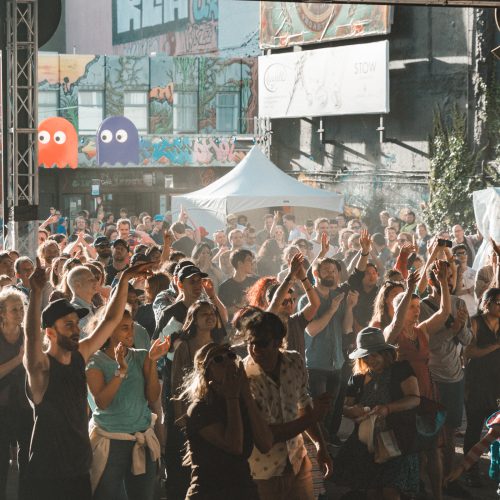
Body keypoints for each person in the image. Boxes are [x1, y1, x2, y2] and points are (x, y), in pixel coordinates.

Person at [24, 258, 152, 500]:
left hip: (79, 466)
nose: (76, 329)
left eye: (76, 323)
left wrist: (123, 279)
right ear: (50, 333)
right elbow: (31, 338)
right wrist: (36, 293)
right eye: (68, 325)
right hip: (48, 472)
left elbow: (110, 320)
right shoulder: (41, 368)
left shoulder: (79, 355)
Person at [243, 310, 332, 500]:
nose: (254, 349)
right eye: (250, 343)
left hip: (297, 461)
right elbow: (271, 435)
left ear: (278, 342)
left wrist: (320, 445)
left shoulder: (294, 361)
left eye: (261, 343)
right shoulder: (245, 377)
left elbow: (303, 407)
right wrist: (314, 416)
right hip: (264, 472)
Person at [86, 300, 169, 499]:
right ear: (108, 329)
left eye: (131, 326)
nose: (131, 332)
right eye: (124, 328)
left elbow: (152, 397)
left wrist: (152, 360)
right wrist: (120, 372)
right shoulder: (94, 361)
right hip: (110, 443)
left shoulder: (142, 356)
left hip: (141, 439)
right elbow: (102, 402)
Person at [333, 327, 420, 499]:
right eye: (366, 356)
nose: (370, 360)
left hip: (397, 438)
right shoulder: (357, 377)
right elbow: (345, 407)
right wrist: (352, 411)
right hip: (366, 441)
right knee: (371, 489)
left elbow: (414, 399)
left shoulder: (401, 369)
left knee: (391, 490)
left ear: (386, 353)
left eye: (374, 355)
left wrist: (388, 408)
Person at [182, 342, 273, 499]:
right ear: (207, 372)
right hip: (209, 493)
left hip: (244, 490)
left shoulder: (244, 403)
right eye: (218, 359)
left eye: (231, 356)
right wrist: (232, 397)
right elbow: (234, 445)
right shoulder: (200, 409)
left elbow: (265, 444)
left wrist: (246, 394)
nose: (227, 362)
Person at [463, 286, 500, 487]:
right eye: (498, 302)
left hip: (497, 385)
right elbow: (469, 352)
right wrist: (495, 346)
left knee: (497, 429)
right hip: (477, 383)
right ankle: (470, 471)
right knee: (474, 428)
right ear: (486, 304)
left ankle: (496, 470)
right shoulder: (476, 322)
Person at [0, 289, 31, 500]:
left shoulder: (29, 333)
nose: (19, 314)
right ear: (2, 313)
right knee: (2, 459)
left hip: (26, 403)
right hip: (2, 406)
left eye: (21, 308)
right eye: (14, 310)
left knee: (28, 457)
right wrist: (18, 360)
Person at [218, 249, 258, 319]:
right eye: (249, 260)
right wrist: (240, 305)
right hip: (233, 325)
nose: (252, 263)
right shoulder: (225, 287)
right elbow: (221, 311)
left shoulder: (255, 282)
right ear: (240, 263)